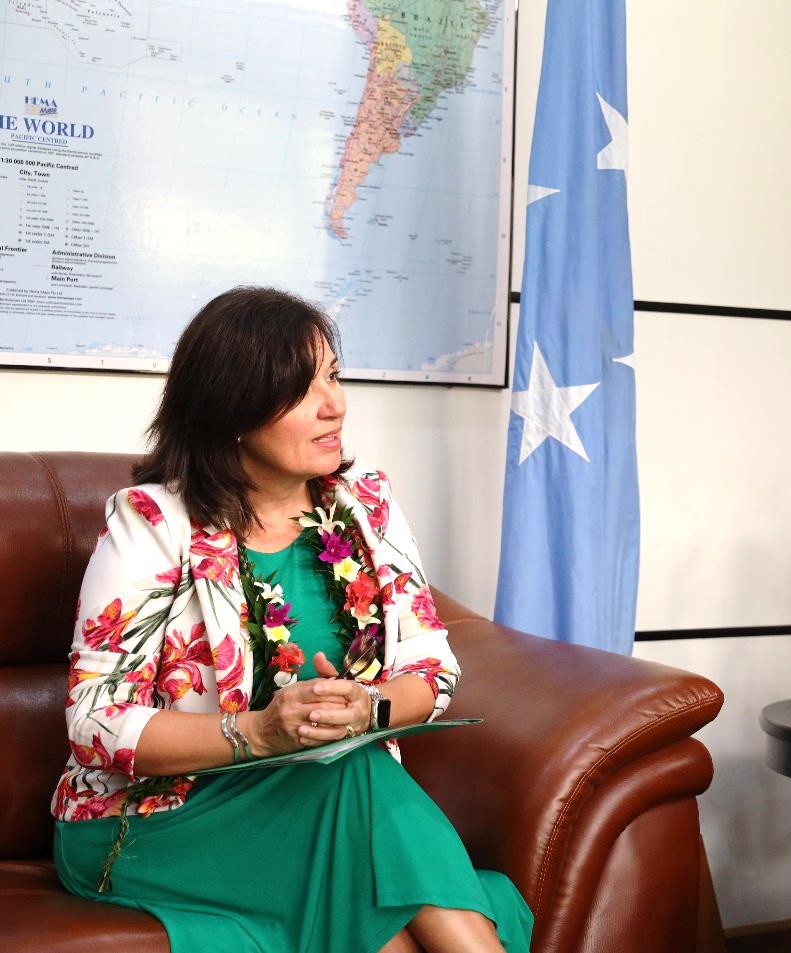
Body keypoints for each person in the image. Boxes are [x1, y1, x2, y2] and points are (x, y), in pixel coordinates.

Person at [52, 287, 533, 953]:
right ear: (233, 409)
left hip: (327, 800)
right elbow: (95, 722)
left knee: (353, 793)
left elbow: (433, 669)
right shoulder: (153, 524)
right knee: (356, 800)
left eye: (332, 375)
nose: (335, 403)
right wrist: (262, 732)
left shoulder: (368, 507)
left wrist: (369, 709)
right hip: (164, 819)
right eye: (301, 388)